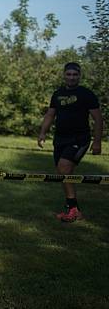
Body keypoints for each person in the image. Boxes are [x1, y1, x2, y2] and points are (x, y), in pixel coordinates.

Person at [37, 62, 103, 222]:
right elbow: (50, 115)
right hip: (60, 139)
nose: (72, 77)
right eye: (69, 74)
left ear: (79, 76)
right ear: (64, 75)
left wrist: (97, 142)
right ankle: (73, 209)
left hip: (79, 139)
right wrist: (42, 133)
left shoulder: (87, 94)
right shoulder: (57, 94)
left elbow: (98, 119)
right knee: (63, 173)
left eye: (75, 75)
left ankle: (73, 209)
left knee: (64, 167)